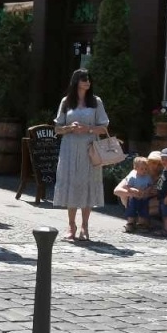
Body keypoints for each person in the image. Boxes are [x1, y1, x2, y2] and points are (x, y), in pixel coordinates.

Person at [53, 68, 110, 242]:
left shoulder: (96, 102)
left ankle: (85, 226)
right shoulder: (66, 101)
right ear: (76, 81)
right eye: (83, 79)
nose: (87, 82)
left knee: (87, 184)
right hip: (69, 148)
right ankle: (71, 225)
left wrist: (88, 129)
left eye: (89, 80)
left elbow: (104, 127)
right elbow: (57, 128)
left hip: (89, 148)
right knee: (71, 183)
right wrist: (70, 128)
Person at [115, 156, 157, 232]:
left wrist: (147, 190)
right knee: (131, 210)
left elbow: (150, 185)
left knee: (143, 211)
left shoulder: (147, 177)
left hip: (144, 198)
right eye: (142, 169)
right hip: (134, 197)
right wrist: (133, 190)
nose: (144, 171)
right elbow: (127, 186)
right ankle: (130, 223)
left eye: (145, 169)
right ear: (135, 168)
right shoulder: (132, 177)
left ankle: (142, 224)